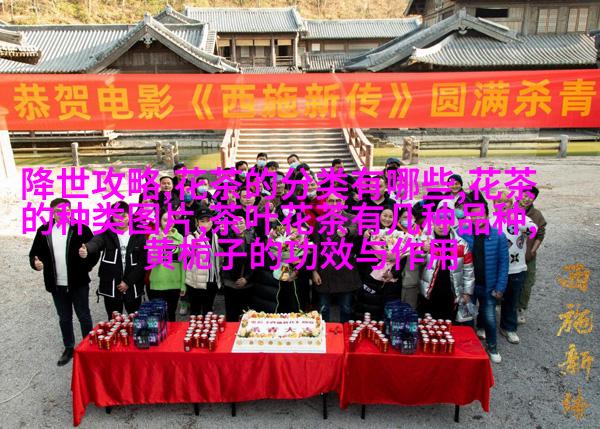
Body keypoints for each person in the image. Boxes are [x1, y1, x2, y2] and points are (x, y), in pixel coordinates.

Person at [29, 198, 99, 366]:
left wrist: (87, 260)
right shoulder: (44, 230)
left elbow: (94, 249)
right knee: (64, 317)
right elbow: (34, 253)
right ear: (52, 213)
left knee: (84, 315)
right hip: (56, 284)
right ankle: (69, 348)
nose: (63, 214)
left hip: (78, 283)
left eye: (67, 211)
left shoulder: (82, 229)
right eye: (58, 211)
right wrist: (35, 263)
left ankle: (88, 347)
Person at [459, 198, 509, 364]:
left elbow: (504, 264)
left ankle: (492, 347)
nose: (476, 219)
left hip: (489, 286)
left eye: (480, 215)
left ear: (487, 215)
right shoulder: (463, 233)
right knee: (467, 318)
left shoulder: (498, 236)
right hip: (469, 286)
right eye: (473, 216)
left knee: (489, 317)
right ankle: (468, 347)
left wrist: (500, 287)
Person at [79, 201, 147, 319]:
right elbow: (96, 242)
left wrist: (128, 282)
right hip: (111, 285)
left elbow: (143, 262)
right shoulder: (106, 232)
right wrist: (87, 249)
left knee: (136, 320)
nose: (121, 220)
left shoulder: (139, 235)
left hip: (133, 285)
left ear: (129, 215)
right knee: (114, 320)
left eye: (124, 216)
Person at [493, 190, 537, 345]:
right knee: (491, 298)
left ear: (511, 204)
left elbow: (533, 230)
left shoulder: (520, 218)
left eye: (505, 202)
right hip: (496, 268)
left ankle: (508, 327)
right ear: (494, 205)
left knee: (512, 300)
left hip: (516, 267)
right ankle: (486, 325)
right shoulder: (491, 222)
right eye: (498, 202)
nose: (502, 205)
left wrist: (521, 224)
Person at [418, 203, 475, 324]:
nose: (441, 226)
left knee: (448, 324)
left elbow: (468, 270)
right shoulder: (424, 241)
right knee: (428, 325)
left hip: (451, 292)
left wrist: (467, 292)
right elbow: (415, 261)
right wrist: (422, 250)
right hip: (429, 292)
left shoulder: (461, 244)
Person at [311, 193, 361, 322]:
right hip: (325, 271)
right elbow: (316, 247)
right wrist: (314, 271)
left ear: (343, 203)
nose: (335, 204)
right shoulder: (320, 221)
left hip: (346, 271)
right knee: (323, 309)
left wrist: (346, 231)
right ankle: (324, 333)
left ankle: (346, 333)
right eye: (331, 201)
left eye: (338, 201)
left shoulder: (352, 218)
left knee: (346, 308)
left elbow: (354, 230)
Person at [147, 209, 185, 321]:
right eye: (165, 220)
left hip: (175, 283)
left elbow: (183, 263)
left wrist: (183, 285)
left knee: (171, 315)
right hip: (158, 283)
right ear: (159, 221)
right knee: (158, 317)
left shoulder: (180, 238)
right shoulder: (153, 237)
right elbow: (153, 259)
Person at [183, 208, 222, 315]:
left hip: (212, 282)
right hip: (196, 284)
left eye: (208, 220)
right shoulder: (192, 237)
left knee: (208, 312)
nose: (206, 224)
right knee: (195, 314)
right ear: (197, 222)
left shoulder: (216, 236)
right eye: (202, 221)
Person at [517, 186, 547, 324]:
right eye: (524, 195)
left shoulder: (537, 215)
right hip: (511, 255)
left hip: (528, 255)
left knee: (527, 283)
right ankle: (501, 304)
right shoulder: (510, 210)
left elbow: (540, 235)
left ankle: (520, 308)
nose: (526, 199)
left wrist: (533, 250)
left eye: (530, 197)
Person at [221, 217, 256, 321]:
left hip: (247, 283)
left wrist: (247, 278)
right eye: (236, 224)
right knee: (231, 314)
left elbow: (255, 261)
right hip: (230, 283)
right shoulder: (228, 238)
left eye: (241, 223)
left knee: (246, 315)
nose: (239, 226)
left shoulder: (252, 240)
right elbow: (222, 242)